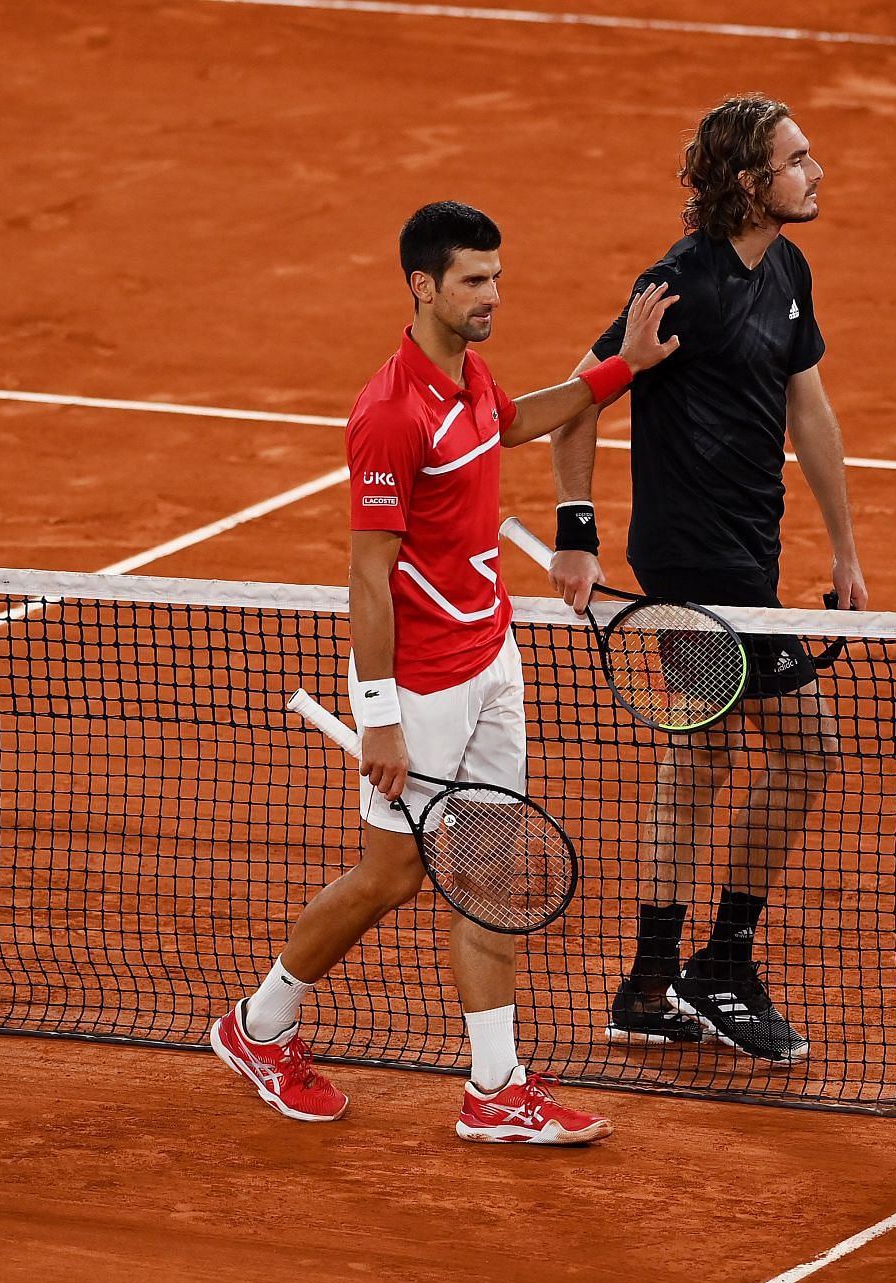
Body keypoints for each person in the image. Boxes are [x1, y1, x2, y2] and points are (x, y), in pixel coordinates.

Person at [211, 201, 678, 1142]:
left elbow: (521, 421)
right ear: (423, 284)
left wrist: (621, 369)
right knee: (392, 877)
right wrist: (379, 716)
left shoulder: (469, 379)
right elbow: (367, 576)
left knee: (491, 873)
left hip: (491, 657)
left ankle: (494, 1087)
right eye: (473, 279)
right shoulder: (390, 414)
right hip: (417, 682)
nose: (491, 295)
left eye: (497, 277)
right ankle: (260, 1027)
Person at [548, 95, 867, 1065]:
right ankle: (719, 964)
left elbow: (806, 410)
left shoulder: (786, 268)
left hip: (751, 556)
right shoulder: (678, 285)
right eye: (797, 160)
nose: (817, 172)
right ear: (747, 182)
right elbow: (578, 393)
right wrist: (575, 531)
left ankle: (649, 983)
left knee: (701, 760)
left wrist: (846, 550)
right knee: (807, 749)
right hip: (695, 564)